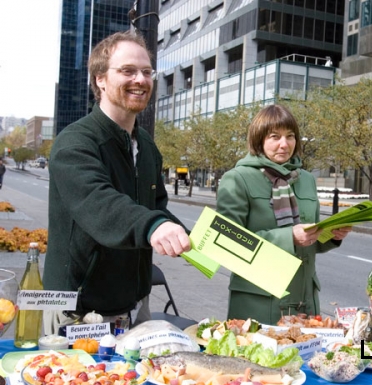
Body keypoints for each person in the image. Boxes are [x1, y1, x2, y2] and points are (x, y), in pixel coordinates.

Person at [43, 31, 191, 335]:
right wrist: (153, 227)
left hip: (136, 305)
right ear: (100, 79)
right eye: (127, 71)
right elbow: (101, 204)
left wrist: (205, 239)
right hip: (76, 310)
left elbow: (157, 208)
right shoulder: (75, 143)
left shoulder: (147, 147)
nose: (141, 79)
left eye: (147, 72)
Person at [216, 104, 352, 324]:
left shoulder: (306, 179)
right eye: (274, 137)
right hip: (259, 301)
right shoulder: (238, 178)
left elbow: (308, 237)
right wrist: (288, 236)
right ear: (259, 140)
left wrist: (332, 235)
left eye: (290, 136)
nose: (284, 144)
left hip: (305, 300)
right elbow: (227, 242)